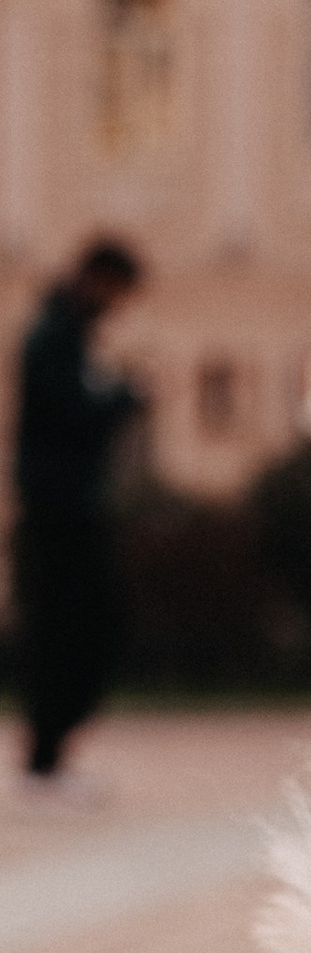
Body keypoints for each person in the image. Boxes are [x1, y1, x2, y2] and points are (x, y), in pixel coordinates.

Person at [12, 237, 146, 791]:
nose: (117, 305)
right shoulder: (52, 337)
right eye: (117, 292)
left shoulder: (69, 334)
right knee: (65, 628)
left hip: (70, 505)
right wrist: (120, 398)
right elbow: (68, 414)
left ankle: (52, 753)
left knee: (83, 628)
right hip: (56, 508)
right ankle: (45, 760)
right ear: (98, 278)